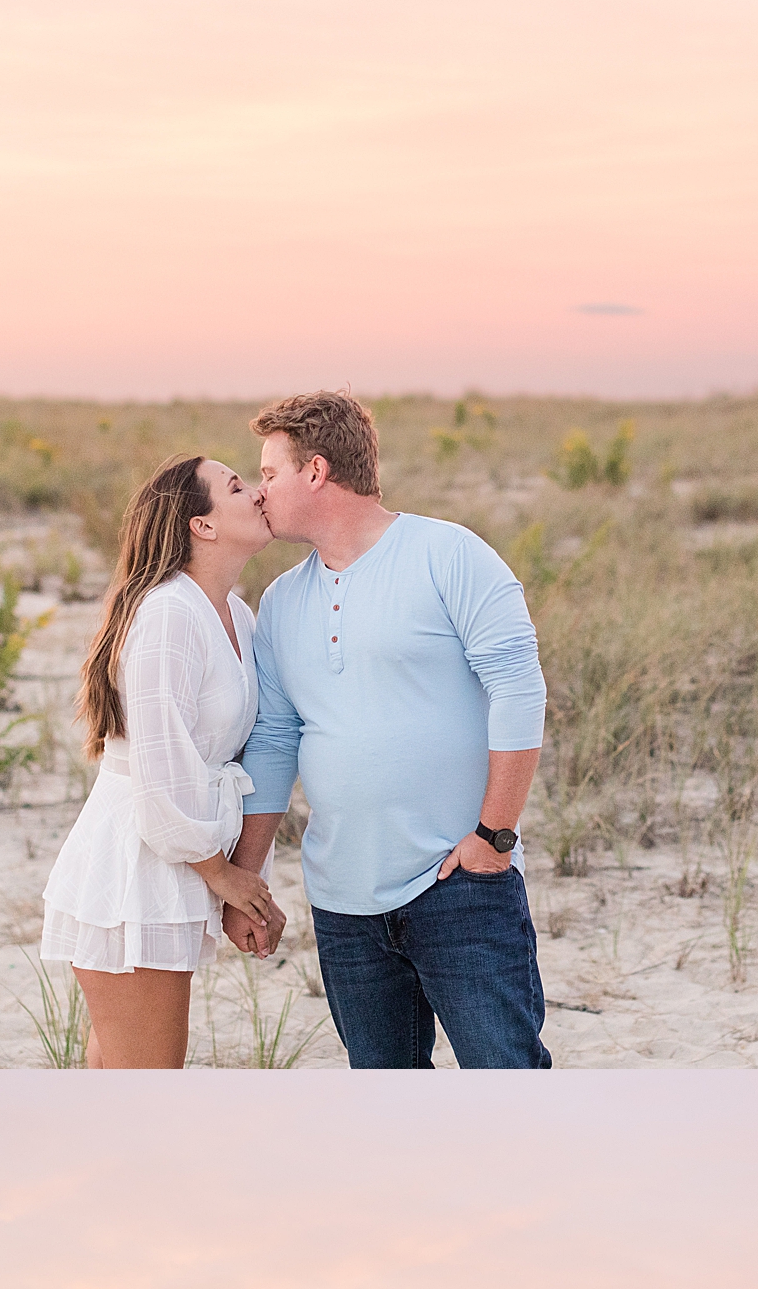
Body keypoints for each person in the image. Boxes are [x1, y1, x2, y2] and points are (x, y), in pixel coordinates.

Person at [225, 391, 552, 1068]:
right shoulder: (282, 601)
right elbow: (277, 742)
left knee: (510, 1089)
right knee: (386, 1106)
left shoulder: (449, 555)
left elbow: (518, 689)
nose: (259, 492)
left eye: (268, 473)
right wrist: (246, 881)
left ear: (315, 472)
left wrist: (494, 838)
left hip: (460, 885)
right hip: (343, 904)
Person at [41, 454, 286, 1067]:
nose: (257, 493)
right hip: (138, 865)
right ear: (201, 525)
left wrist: (236, 875)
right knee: (148, 1086)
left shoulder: (237, 615)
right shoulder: (167, 616)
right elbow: (160, 770)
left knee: (122, 1080)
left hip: (180, 861)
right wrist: (223, 876)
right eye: (236, 486)